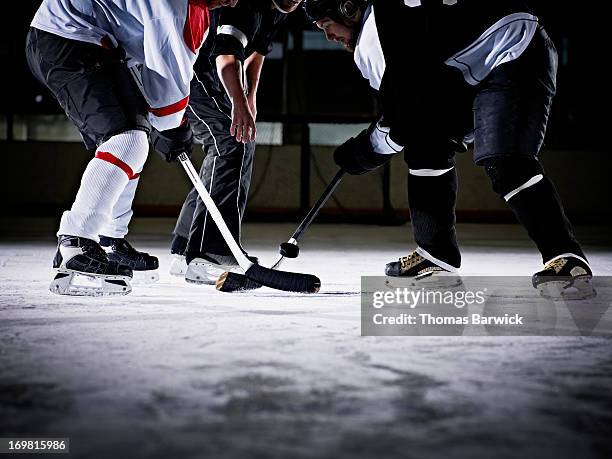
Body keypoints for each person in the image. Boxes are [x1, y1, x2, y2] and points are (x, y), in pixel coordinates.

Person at [303, 0, 593, 293]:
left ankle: (566, 257)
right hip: (469, 67)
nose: (328, 36)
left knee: (506, 161)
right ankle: (435, 254)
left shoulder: (374, 34)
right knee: (426, 143)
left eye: (327, 25)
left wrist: (361, 154)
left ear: (347, 7)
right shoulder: (387, 21)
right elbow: (411, 116)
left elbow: (400, 122)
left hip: (512, 50)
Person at [27, 0, 238, 296]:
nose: (232, 1)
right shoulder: (178, 8)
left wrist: (168, 123)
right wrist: (172, 126)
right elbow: (168, 82)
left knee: (135, 139)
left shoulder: (196, 12)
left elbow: (162, 75)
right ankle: (75, 244)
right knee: (128, 140)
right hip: (67, 35)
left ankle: (109, 239)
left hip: (96, 41)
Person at [153, 0, 303, 284]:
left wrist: (250, 98)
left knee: (235, 141)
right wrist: (238, 101)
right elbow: (226, 56)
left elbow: (255, 56)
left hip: (211, 74)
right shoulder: (246, 7)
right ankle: (210, 252)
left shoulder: (278, 12)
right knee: (232, 141)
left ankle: (185, 247)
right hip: (193, 71)